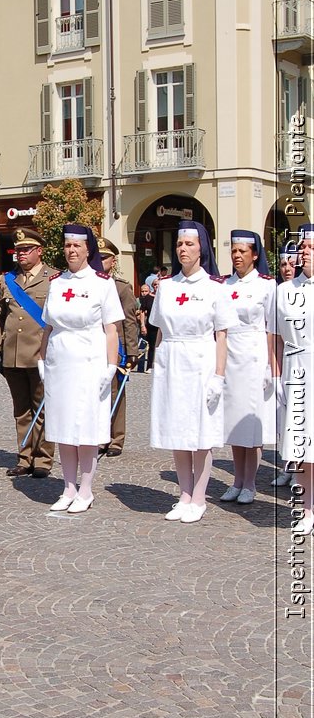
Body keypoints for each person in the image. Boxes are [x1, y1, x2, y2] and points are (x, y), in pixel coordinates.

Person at [149, 222, 237, 522]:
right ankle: (183, 494)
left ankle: (199, 497)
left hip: (201, 359)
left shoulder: (215, 287)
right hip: (172, 359)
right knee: (177, 430)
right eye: (179, 244)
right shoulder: (168, 287)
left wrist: (219, 375)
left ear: (202, 248)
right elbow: (159, 331)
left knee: (200, 432)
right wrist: (158, 363)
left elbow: (222, 335)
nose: (183, 249)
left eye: (189, 244)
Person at [38, 225, 124, 513]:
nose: (71, 251)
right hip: (60, 359)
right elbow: (48, 327)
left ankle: (86, 489)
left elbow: (111, 329)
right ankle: (68, 487)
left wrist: (111, 365)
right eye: (67, 246)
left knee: (85, 426)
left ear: (88, 249)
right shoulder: (57, 282)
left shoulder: (102, 283)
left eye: (77, 246)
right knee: (63, 426)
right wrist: (42, 360)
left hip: (90, 357)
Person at [0, 228, 56, 478]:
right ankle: (24, 456)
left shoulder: (54, 279)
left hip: (40, 353)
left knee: (42, 407)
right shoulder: (8, 280)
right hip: (13, 353)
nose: (20, 254)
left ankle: (43, 458)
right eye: (17, 250)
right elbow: (0, 316)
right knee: (20, 409)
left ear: (39, 251)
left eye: (25, 250)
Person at [219, 230, 276, 504]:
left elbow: (271, 328)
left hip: (254, 354)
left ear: (255, 255)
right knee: (233, 422)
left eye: (243, 251)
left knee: (251, 424)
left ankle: (250, 483)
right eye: (234, 251)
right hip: (231, 355)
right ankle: (237, 479)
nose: (237, 256)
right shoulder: (225, 285)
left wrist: (269, 364)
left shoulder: (266, 285)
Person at [273, 225, 314, 534]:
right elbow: (274, 336)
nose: (305, 251)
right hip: (296, 369)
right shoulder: (285, 291)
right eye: (303, 246)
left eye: (311, 246)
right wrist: (275, 374)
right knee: (302, 449)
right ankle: (306, 509)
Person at [97, 238, 140, 457]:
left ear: (113, 261)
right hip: (94, 347)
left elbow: (129, 321)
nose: (99, 260)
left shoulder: (120, 288)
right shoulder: (90, 284)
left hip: (118, 348)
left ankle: (116, 438)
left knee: (115, 393)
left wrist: (132, 351)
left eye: (104, 257)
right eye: (97, 256)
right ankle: (99, 435)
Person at [271, 242, 300, 488]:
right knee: (285, 420)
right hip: (286, 363)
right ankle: (288, 466)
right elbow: (276, 337)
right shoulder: (279, 292)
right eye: (282, 264)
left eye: (291, 264)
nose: (286, 269)